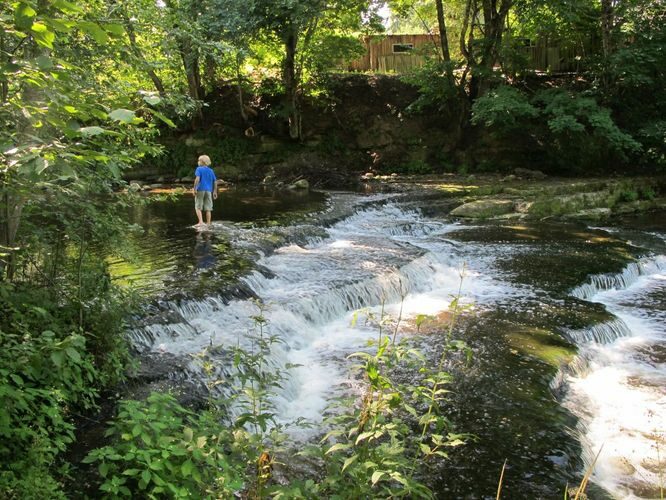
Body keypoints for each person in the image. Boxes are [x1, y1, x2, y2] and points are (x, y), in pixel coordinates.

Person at [192, 155, 218, 227]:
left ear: (202, 162)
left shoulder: (199, 169)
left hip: (200, 189)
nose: (198, 162)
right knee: (208, 208)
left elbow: (197, 179)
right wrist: (215, 191)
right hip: (209, 191)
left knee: (198, 206)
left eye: (199, 160)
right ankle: (208, 223)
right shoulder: (211, 170)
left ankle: (200, 222)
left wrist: (194, 189)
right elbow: (215, 181)